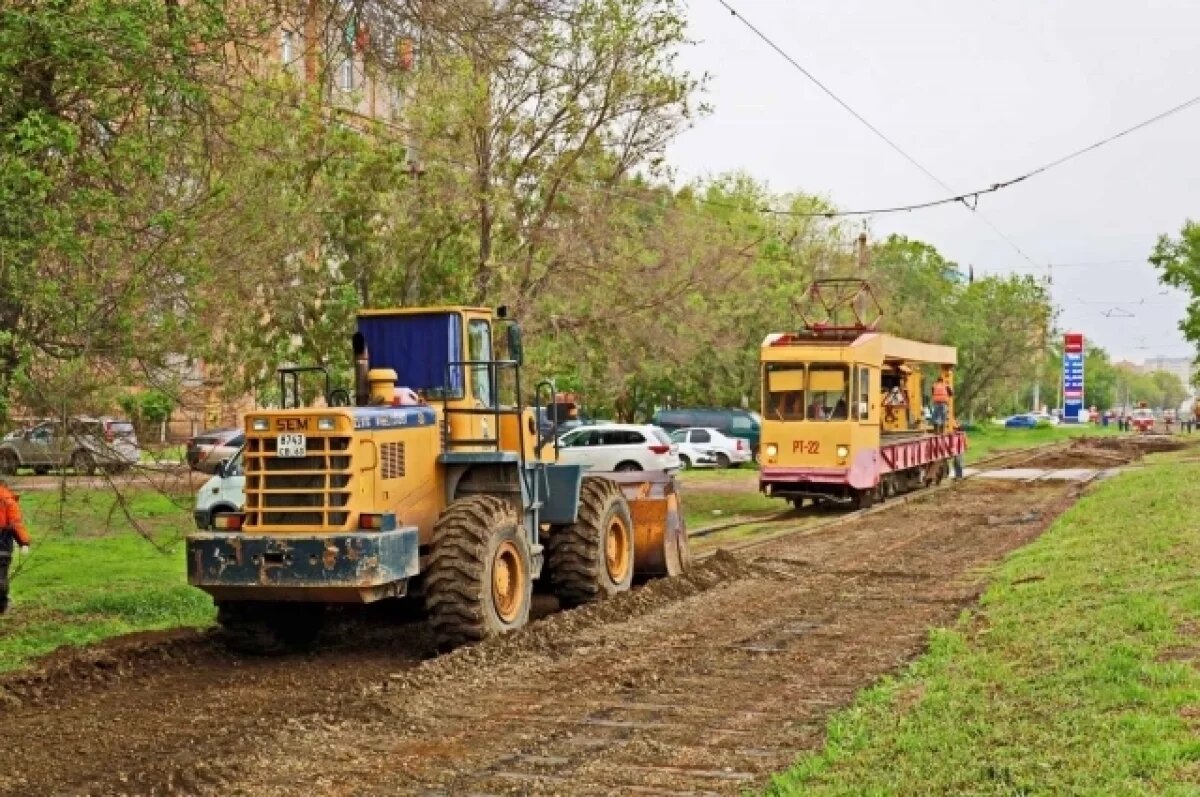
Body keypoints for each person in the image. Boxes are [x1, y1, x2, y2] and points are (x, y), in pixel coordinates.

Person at [0, 479, 31, 615]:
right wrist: (24, 542)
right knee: (1, 577)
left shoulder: (7, 501)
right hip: (3, 546)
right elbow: (16, 524)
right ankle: (2, 605)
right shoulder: (8, 501)